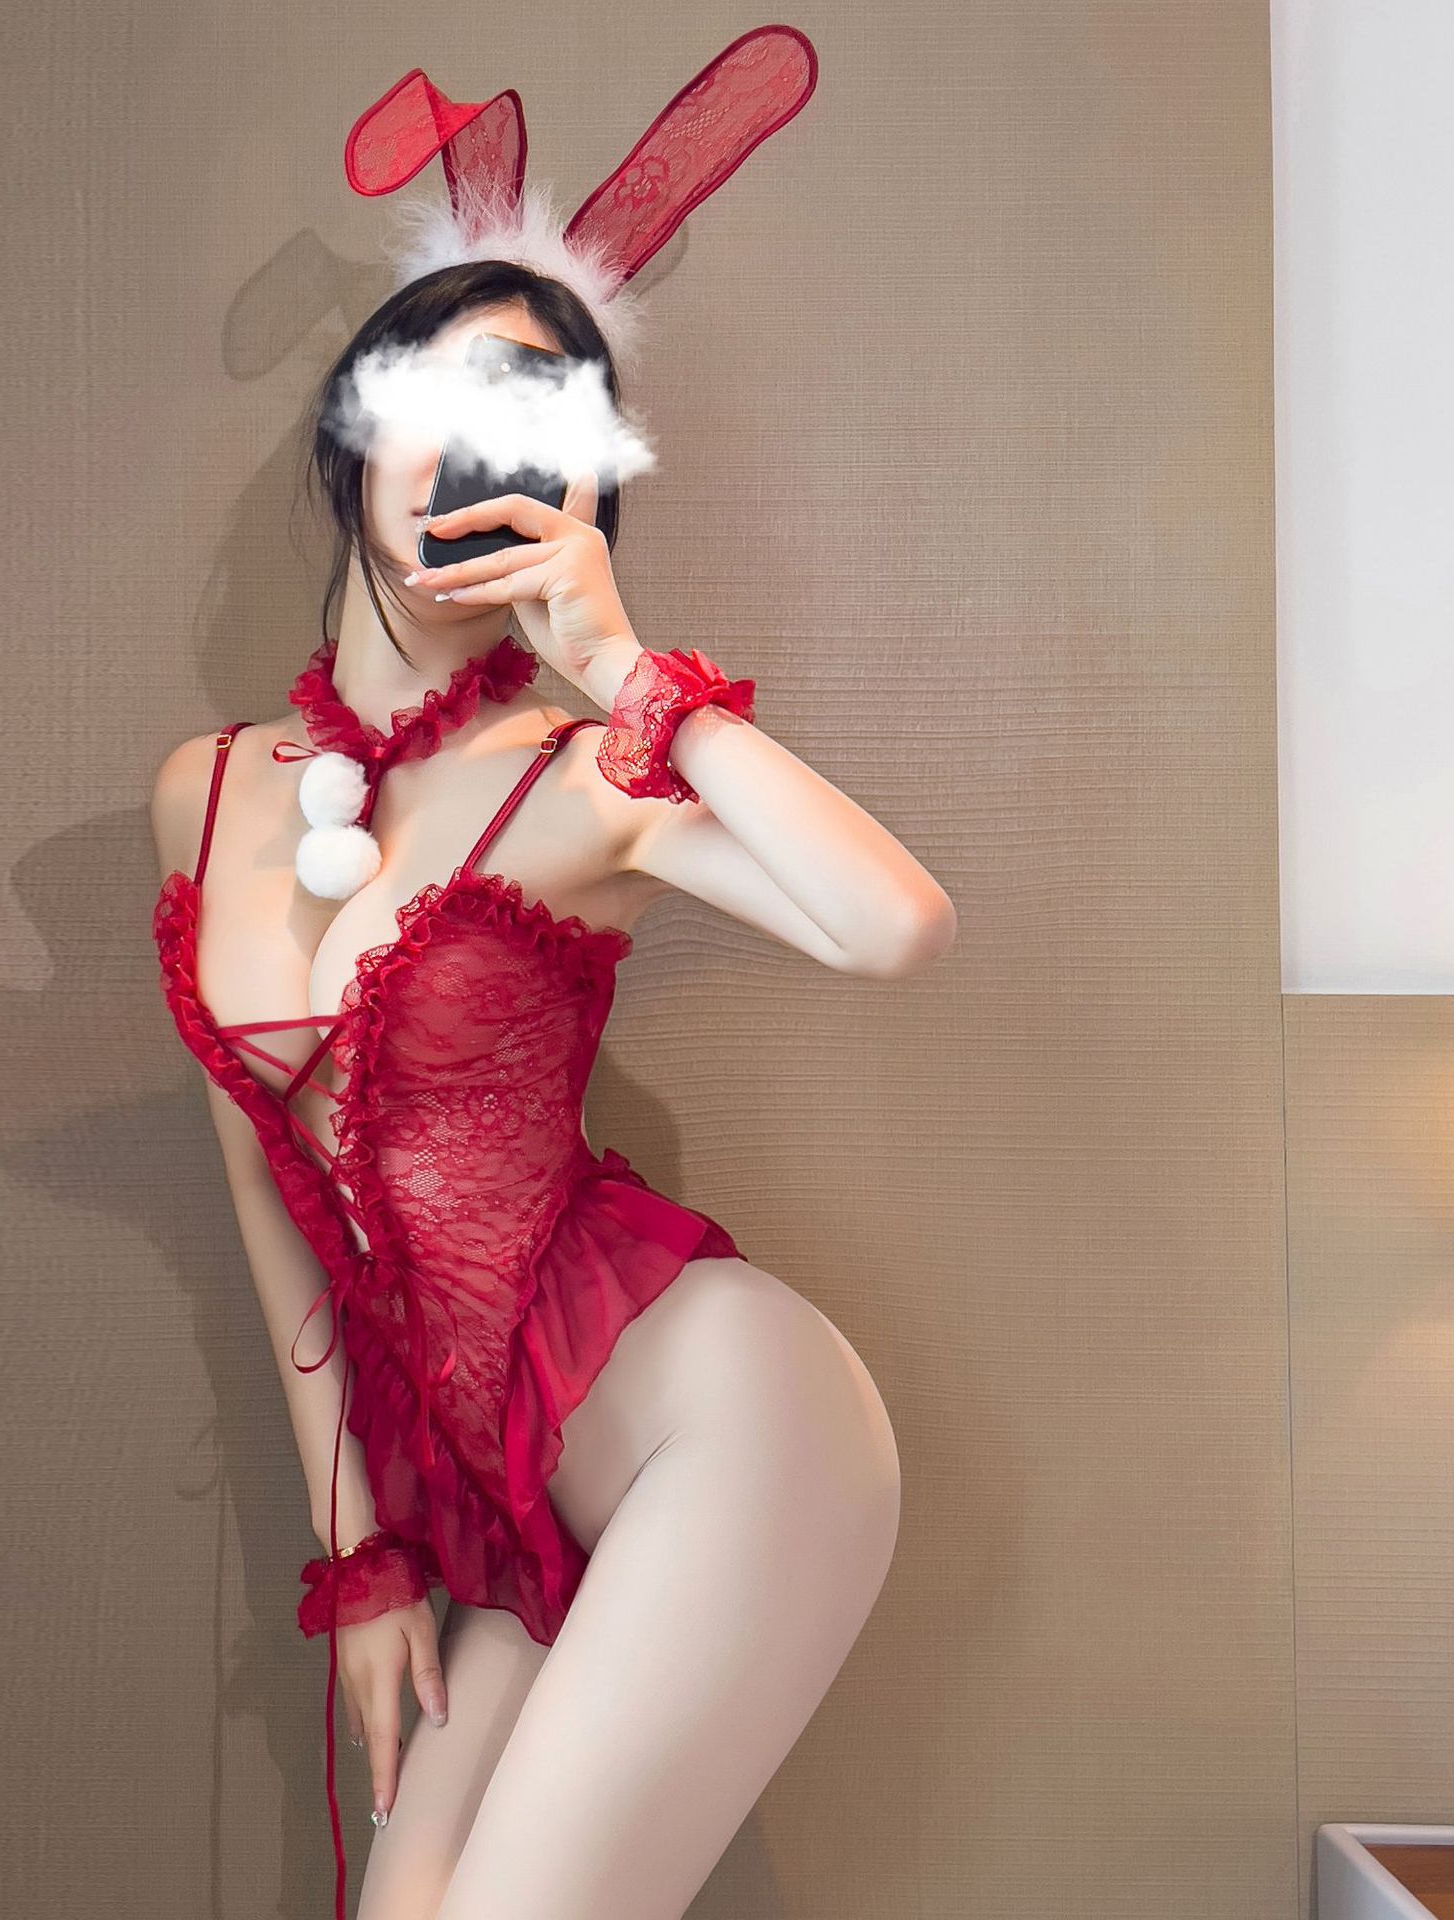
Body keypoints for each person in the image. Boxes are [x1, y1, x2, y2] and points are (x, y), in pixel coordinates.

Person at [151, 33, 956, 1919]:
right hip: (498, 1504)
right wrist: (360, 1562)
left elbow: (893, 925)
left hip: (725, 1423)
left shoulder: (590, 778)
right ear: (355, 430)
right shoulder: (207, 791)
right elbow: (272, 1207)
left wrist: (627, 671)